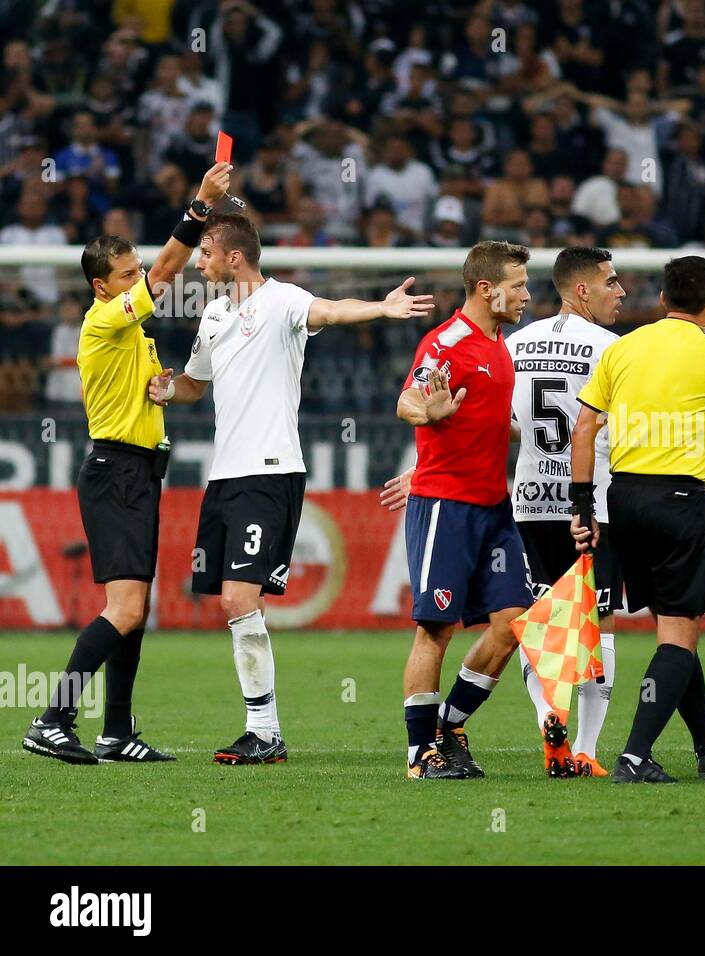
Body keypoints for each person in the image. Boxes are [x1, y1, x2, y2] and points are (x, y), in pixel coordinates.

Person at [147, 213, 433, 765]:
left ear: (235, 258)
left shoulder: (281, 301)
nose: (198, 263)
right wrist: (166, 387)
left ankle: (265, 730)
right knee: (232, 601)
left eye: (205, 253)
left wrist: (380, 307)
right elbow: (193, 384)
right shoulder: (211, 314)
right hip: (225, 475)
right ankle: (263, 730)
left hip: (270, 469)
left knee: (238, 596)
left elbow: (328, 309)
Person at [21, 161, 231, 765]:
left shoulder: (129, 333)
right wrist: (199, 204)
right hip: (116, 471)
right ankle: (53, 716)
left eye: (137, 269)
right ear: (102, 287)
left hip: (138, 471)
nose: (140, 279)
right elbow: (170, 270)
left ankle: (116, 732)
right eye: (127, 274)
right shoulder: (103, 322)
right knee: (127, 608)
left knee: (135, 609)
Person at [570, 255, 705, 783]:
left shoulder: (621, 348)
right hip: (678, 500)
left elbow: (584, 428)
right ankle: (634, 754)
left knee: (675, 630)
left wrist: (584, 507)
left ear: (663, 300)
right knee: (677, 637)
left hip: (620, 498)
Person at [394, 241, 534, 781]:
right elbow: (409, 400)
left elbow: (488, 420)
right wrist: (425, 412)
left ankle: (447, 729)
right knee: (436, 629)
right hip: (446, 507)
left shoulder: (498, 343)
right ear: (486, 289)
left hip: (494, 508)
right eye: (518, 285)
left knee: (512, 623)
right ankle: (418, 755)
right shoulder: (447, 342)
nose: (526, 294)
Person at [508, 247, 625, 777]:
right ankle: (585, 748)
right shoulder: (611, 349)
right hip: (592, 504)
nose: (619, 291)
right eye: (610, 282)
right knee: (597, 625)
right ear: (582, 290)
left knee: (545, 624)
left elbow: (503, 420)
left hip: (531, 500)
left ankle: (547, 716)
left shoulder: (516, 343)